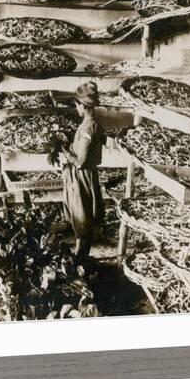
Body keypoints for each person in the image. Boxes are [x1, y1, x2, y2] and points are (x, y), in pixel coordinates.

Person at [60, 81, 106, 259]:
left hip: (81, 177)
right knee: (83, 217)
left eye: (77, 105)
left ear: (82, 105)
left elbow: (80, 161)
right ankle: (81, 258)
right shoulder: (92, 123)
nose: (76, 109)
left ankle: (80, 259)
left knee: (81, 217)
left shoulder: (88, 126)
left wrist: (64, 151)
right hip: (85, 175)